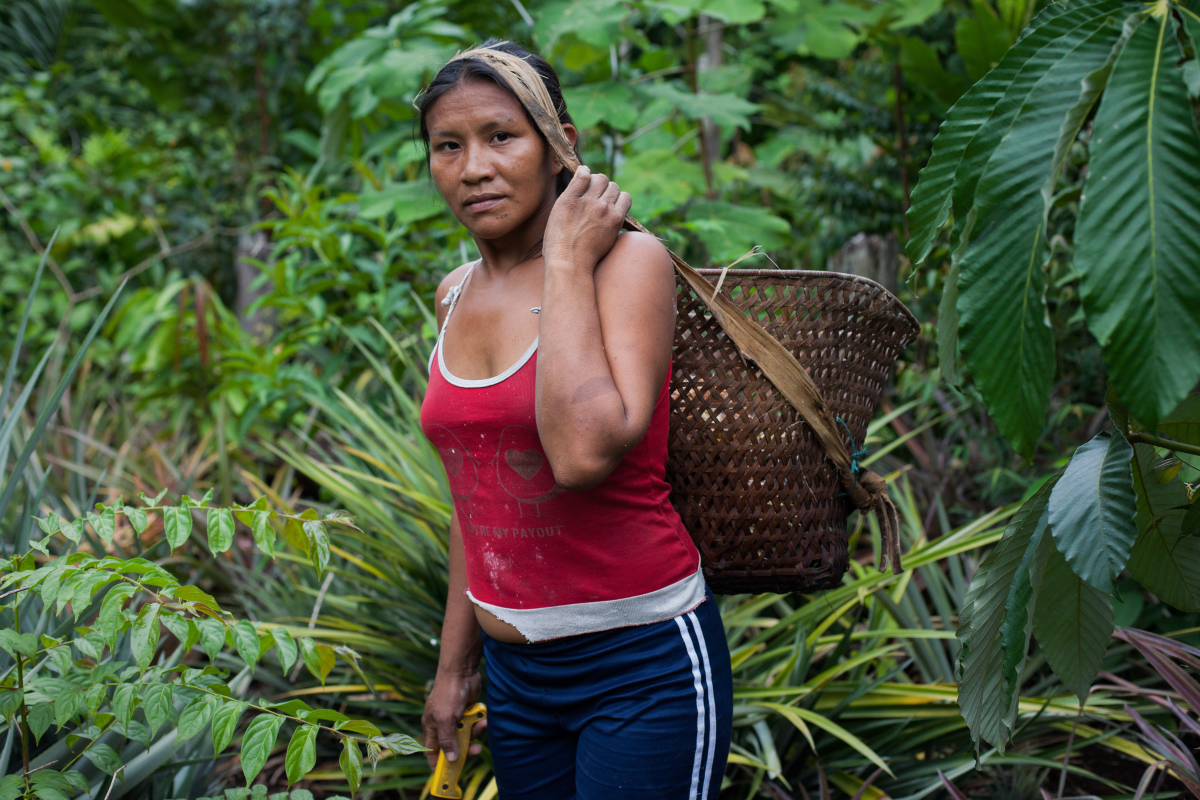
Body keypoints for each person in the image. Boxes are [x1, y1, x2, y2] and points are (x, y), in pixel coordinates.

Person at [417, 40, 732, 799]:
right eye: (447, 147)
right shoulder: (454, 293)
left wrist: (564, 259)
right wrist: (454, 668)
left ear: (561, 144)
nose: (474, 168)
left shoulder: (627, 264)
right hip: (517, 680)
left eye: (501, 136)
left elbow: (583, 454)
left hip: (641, 665)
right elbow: (475, 497)